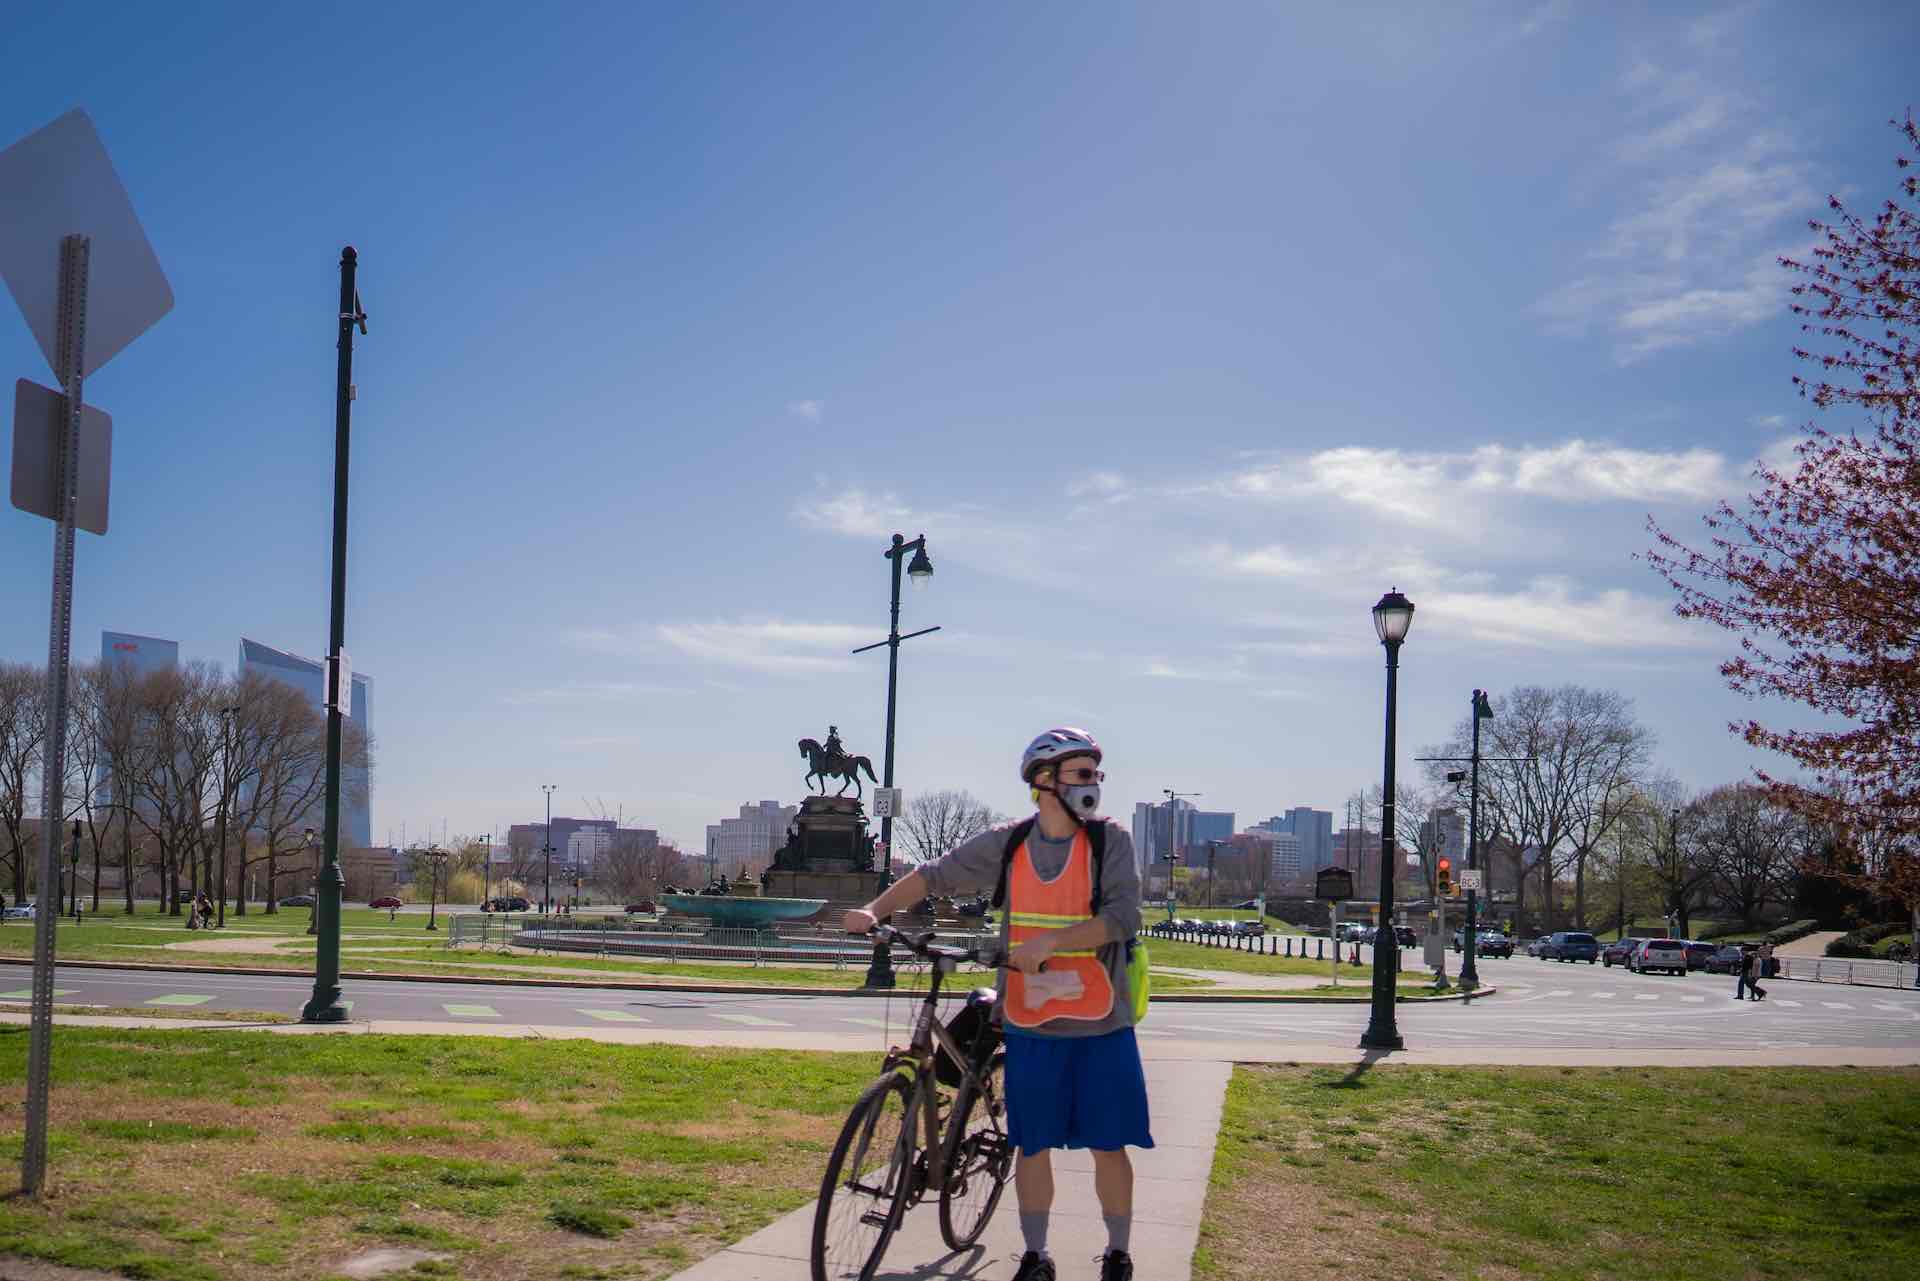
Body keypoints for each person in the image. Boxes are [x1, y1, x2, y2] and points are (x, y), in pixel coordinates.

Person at [846, 728, 1146, 1281]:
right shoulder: (1009, 844)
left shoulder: (1110, 841)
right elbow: (933, 875)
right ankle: (1036, 1256)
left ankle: (1118, 1253)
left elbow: (1124, 918)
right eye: (1082, 774)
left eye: (1096, 775)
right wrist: (874, 909)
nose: (1094, 785)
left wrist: (1051, 943)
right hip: (1031, 1021)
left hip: (1101, 1022)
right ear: (1044, 780)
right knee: (1032, 1147)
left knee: (1108, 1144)